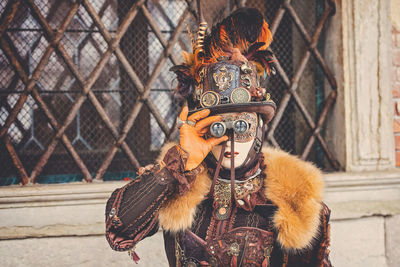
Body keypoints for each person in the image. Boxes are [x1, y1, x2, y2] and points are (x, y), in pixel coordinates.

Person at [105, 7, 332, 267]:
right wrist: (178, 165)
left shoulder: (294, 202)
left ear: (259, 128)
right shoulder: (180, 187)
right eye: (218, 127)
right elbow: (118, 231)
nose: (229, 139)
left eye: (242, 125)